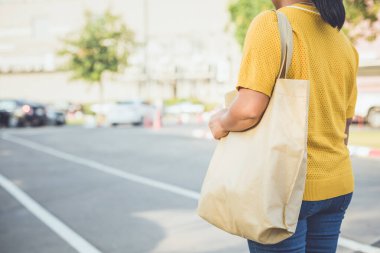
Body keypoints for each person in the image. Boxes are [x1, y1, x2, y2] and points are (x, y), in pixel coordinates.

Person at [208, 0, 358, 252]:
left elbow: (247, 112)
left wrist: (220, 121)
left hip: (285, 188)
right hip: (337, 186)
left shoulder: (273, 24)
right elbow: (344, 130)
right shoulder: (344, 44)